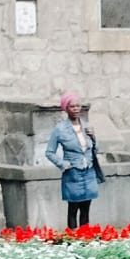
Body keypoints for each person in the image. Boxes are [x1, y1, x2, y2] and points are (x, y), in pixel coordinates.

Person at [44, 94, 101, 230]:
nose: (76, 109)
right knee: (73, 208)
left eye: (78, 106)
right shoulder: (60, 129)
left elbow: (95, 149)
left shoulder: (86, 126)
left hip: (88, 172)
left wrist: (94, 138)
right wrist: (63, 164)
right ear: (66, 109)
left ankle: (85, 238)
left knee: (86, 209)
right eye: (72, 106)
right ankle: (72, 239)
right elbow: (49, 152)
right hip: (73, 173)